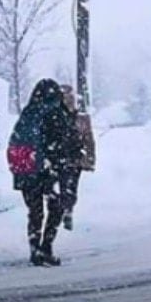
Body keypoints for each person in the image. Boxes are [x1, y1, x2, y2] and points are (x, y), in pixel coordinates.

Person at [8, 79, 75, 266]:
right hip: (48, 169)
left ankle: (35, 248)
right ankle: (46, 246)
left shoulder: (29, 112)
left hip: (27, 169)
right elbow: (62, 141)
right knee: (56, 207)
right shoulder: (55, 112)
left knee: (35, 211)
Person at [59, 83, 96, 231]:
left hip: (73, 158)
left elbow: (89, 140)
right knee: (66, 186)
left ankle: (67, 210)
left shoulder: (82, 118)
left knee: (69, 187)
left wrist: (89, 159)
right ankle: (65, 210)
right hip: (61, 158)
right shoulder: (55, 118)